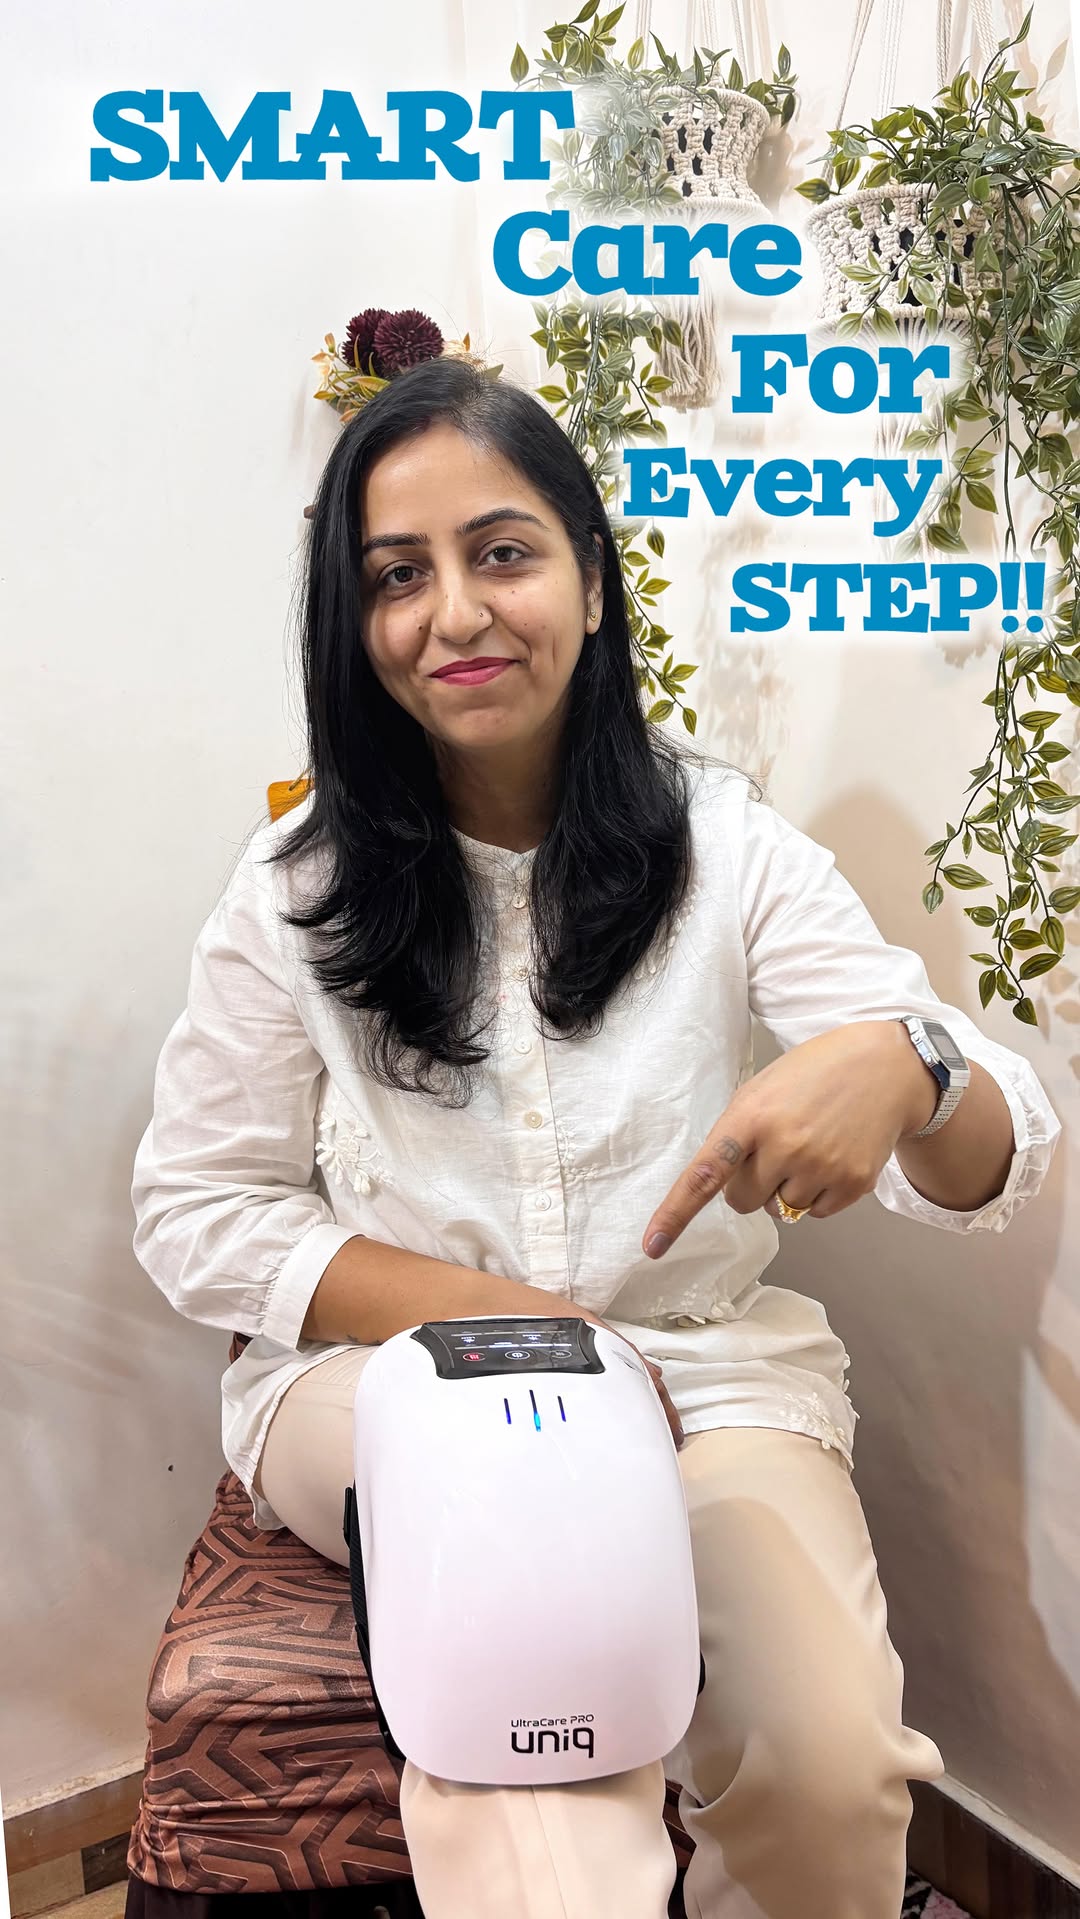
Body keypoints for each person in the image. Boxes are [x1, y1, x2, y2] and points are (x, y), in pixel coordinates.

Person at [132, 356, 1061, 1919]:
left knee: (828, 1767)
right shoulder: (296, 891)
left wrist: (906, 1068)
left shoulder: (729, 850)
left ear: (591, 579)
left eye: (501, 553)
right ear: (354, 626)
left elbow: (992, 1148)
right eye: (396, 576)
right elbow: (198, 1211)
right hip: (391, 1384)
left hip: (704, 1374)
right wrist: (505, 1324)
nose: (454, 613)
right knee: (535, 1757)